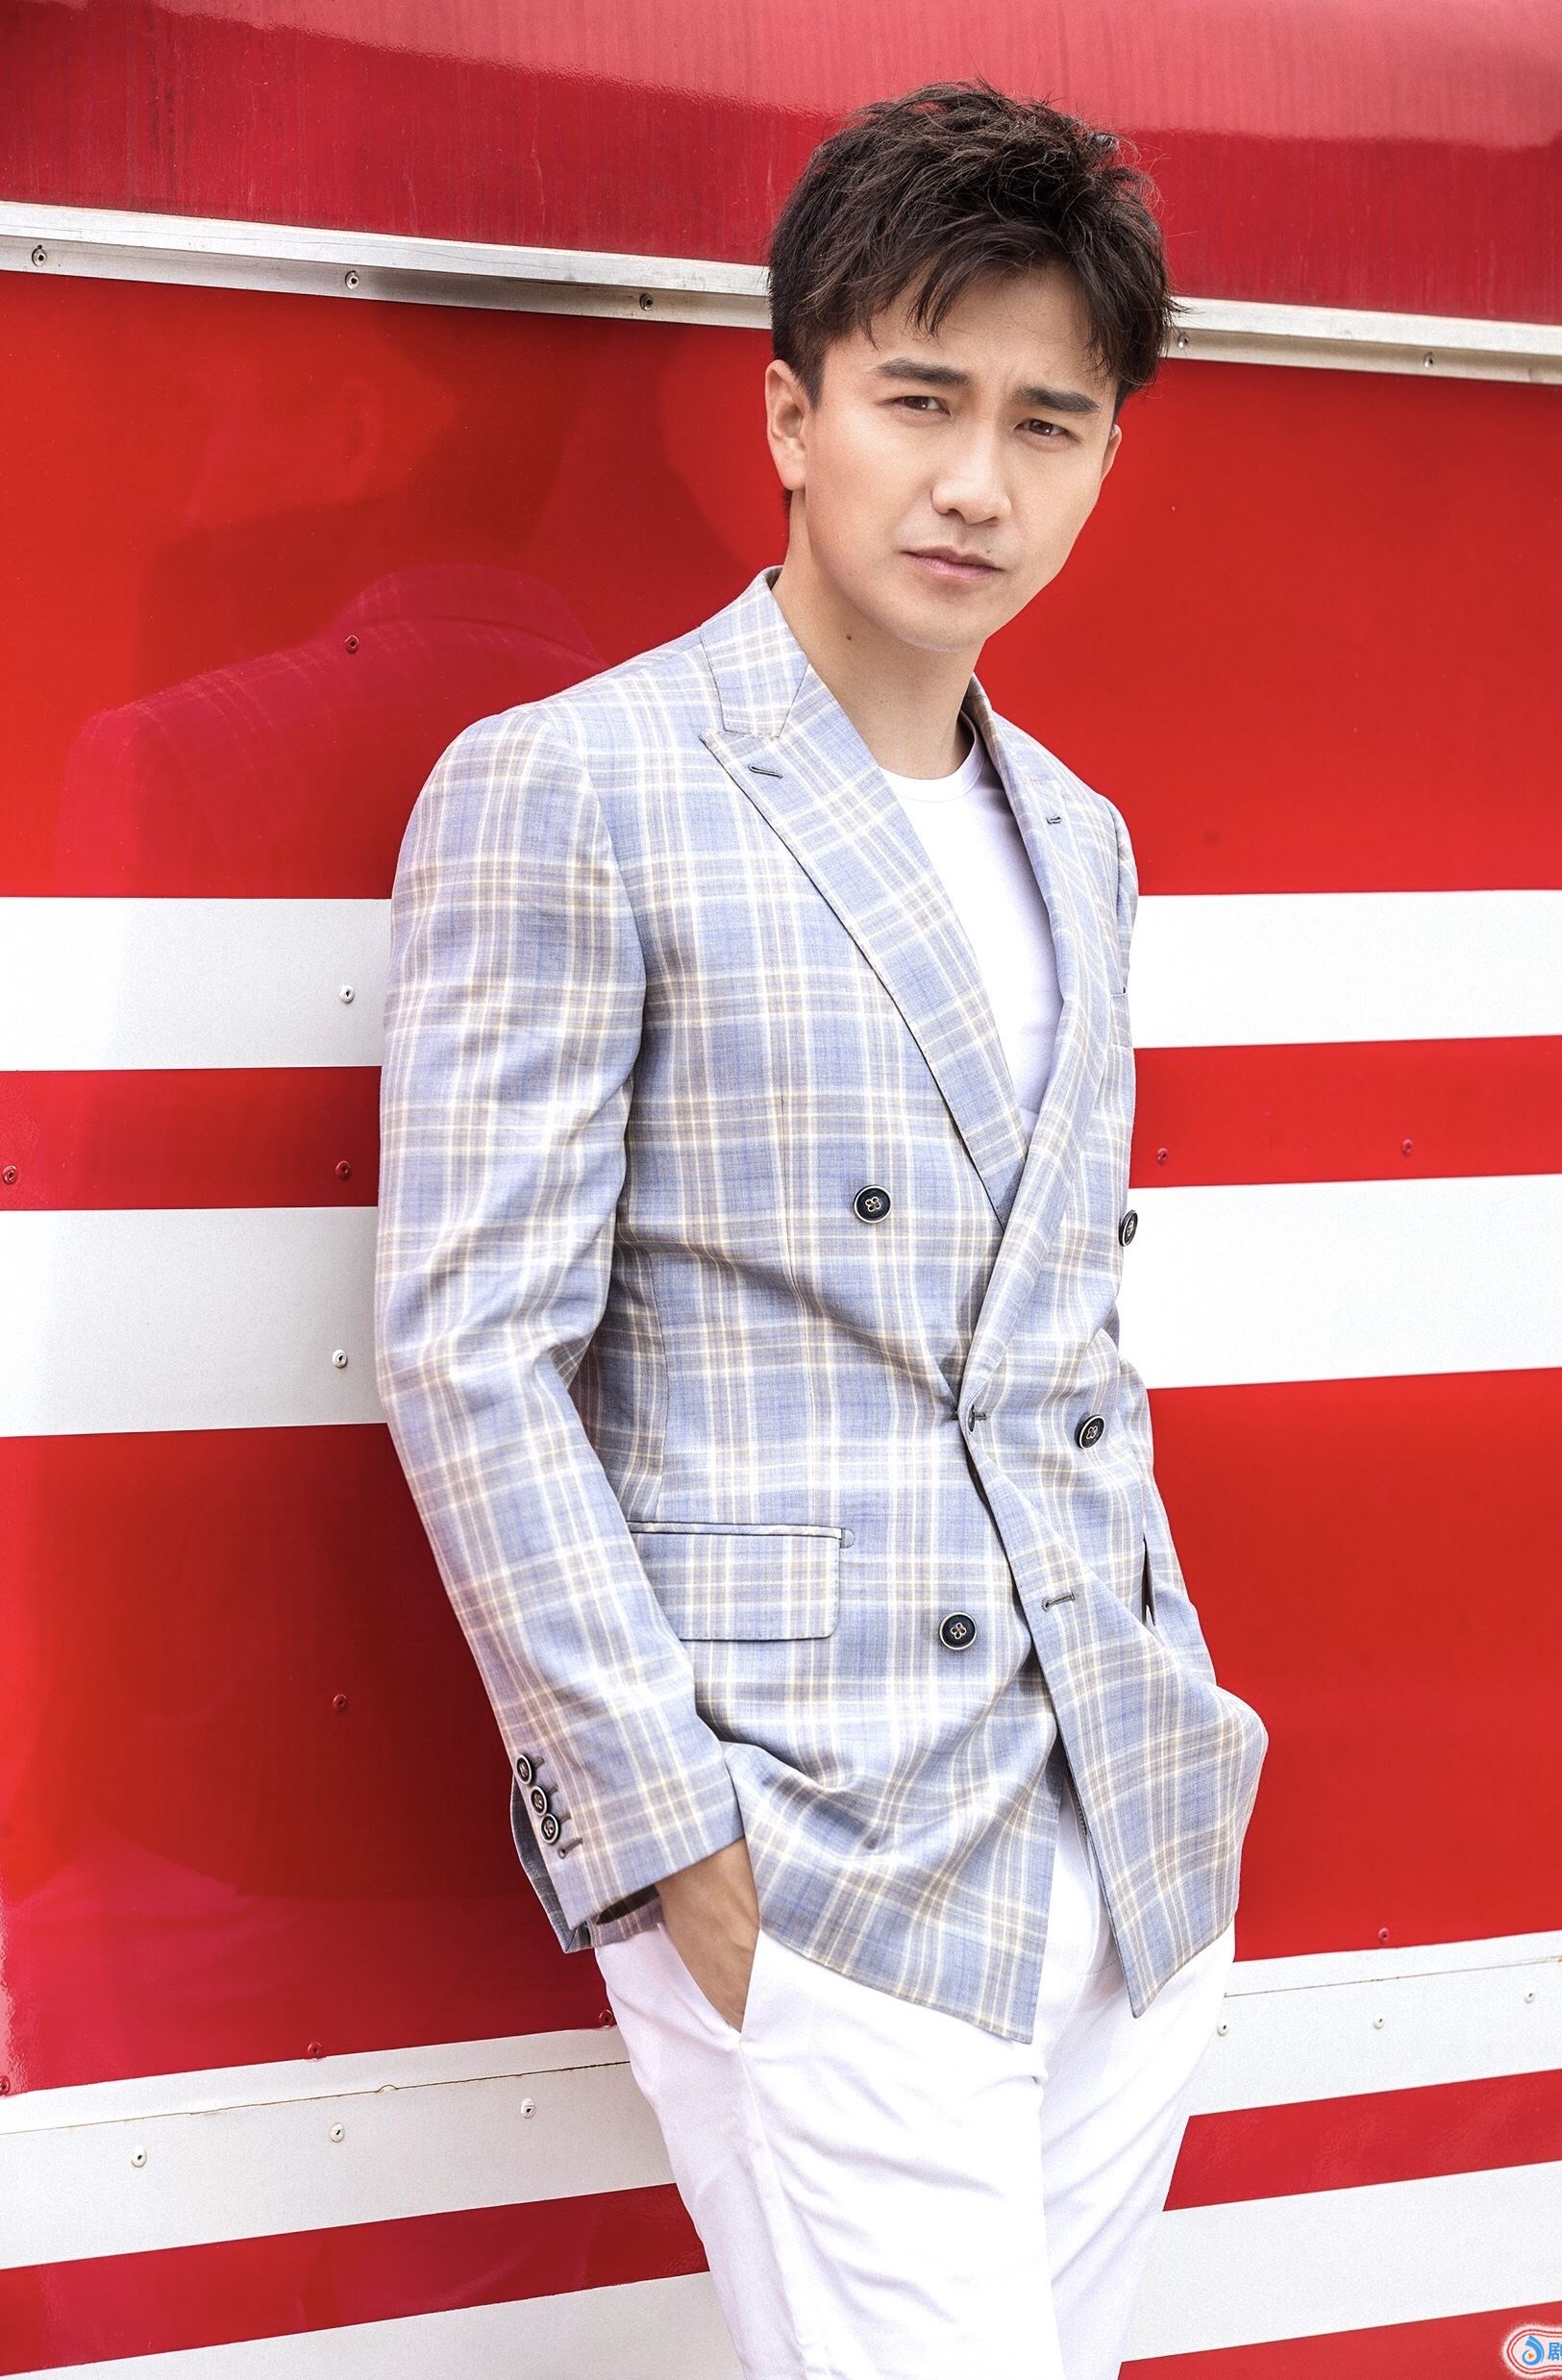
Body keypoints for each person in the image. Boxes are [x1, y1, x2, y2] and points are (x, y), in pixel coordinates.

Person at [375, 75, 1270, 2380]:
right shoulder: (576, 785)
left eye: (1049, 424)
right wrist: (675, 1845)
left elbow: (1063, 1329)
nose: (979, 481)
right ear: (791, 415)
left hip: (1120, 1828)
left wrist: (1176, 1719)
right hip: (811, 1842)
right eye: (921, 400)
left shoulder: (1081, 834)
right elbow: (471, 1354)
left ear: (1108, 455)